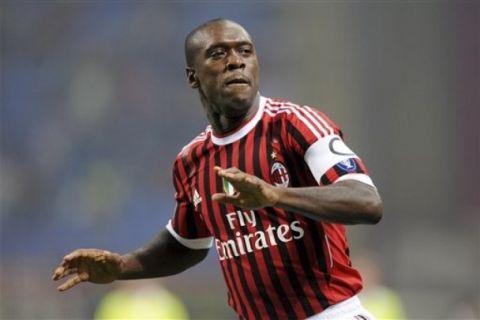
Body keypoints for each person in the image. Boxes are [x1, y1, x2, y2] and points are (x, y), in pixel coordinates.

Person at [52, 18, 383, 319]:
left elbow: (366, 202)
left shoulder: (294, 124)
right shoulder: (192, 160)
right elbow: (186, 245)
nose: (236, 61)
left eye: (245, 51)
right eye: (218, 54)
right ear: (192, 76)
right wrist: (122, 267)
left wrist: (276, 195)